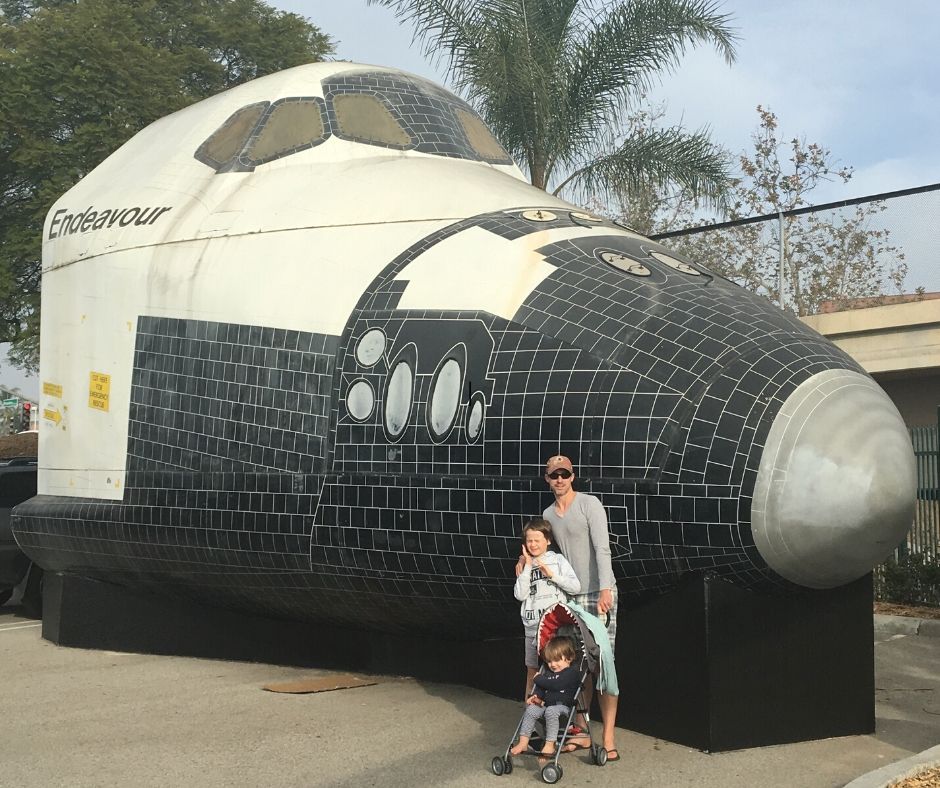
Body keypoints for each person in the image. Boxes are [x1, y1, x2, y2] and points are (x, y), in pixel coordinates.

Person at [516, 454, 620, 761]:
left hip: (597, 592)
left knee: (603, 664)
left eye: (564, 474)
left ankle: (609, 737)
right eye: (554, 475)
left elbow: (602, 548)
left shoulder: (590, 504)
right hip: (569, 596)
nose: (559, 479)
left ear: (572, 477)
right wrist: (524, 562)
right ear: (547, 480)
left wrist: (605, 588)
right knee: (579, 666)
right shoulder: (549, 513)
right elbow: (547, 550)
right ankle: (581, 730)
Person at [514, 519, 581, 697]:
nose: (533, 544)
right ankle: (530, 712)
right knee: (532, 669)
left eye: (537, 540)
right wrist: (527, 565)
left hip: (555, 626)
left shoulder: (557, 560)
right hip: (533, 626)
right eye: (529, 541)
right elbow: (520, 594)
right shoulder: (524, 564)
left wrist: (552, 575)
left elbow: (575, 587)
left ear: (548, 540)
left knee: (559, 667)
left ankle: (560, 708)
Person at [509, 636, 581, 758]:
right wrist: (535, 697)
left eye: (557, 660)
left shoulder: (571, 674)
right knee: (531, 709)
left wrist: (538, 678)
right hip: (546, 707)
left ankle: (550, 744)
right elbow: (541, 690)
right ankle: (523, 742)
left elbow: (556, 685)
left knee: (551, 711)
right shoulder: (548, 674)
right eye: (549, 661)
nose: (552, 664)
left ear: (569, 658)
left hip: (562, 708)